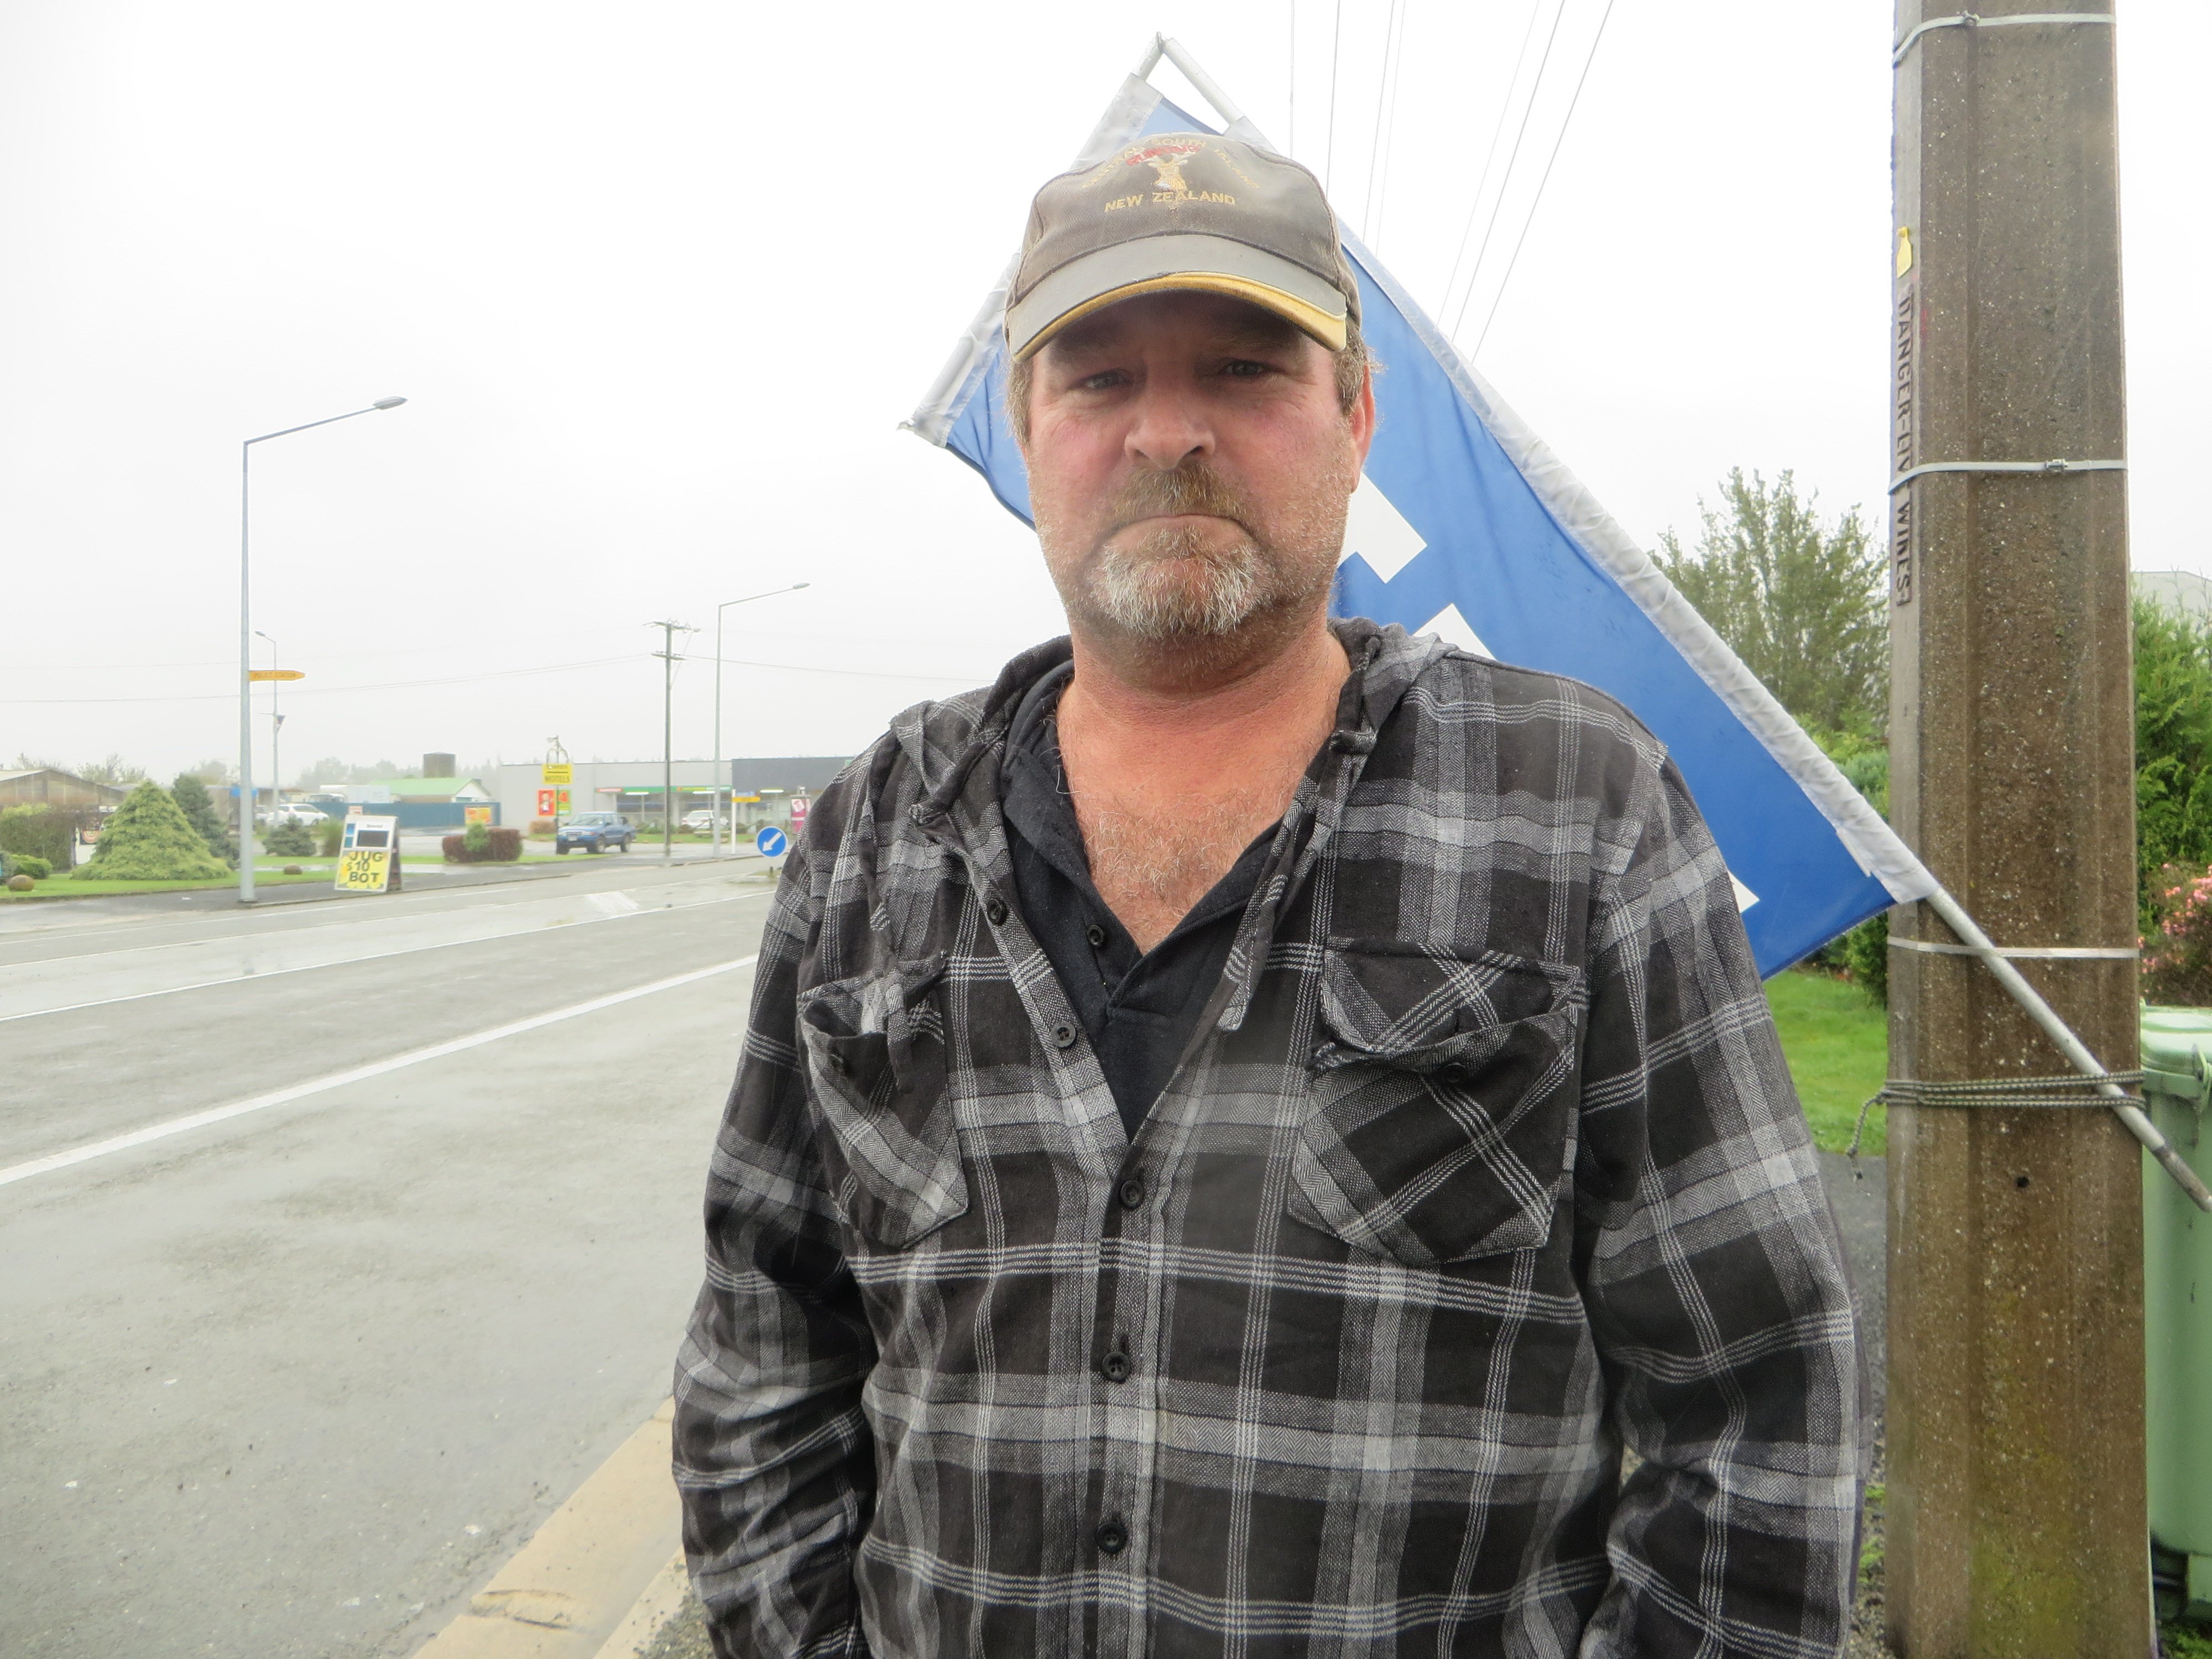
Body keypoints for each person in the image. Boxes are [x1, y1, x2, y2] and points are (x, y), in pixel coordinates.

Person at [675, 132, 1863, 1657]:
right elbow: (762, 1351)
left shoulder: (1579, 812)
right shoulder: (867, 842)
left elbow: (1760, 1398)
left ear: (1356, 418)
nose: (1169, 431)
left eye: (1247, 370)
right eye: (1097, 378)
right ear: (1029, 428)